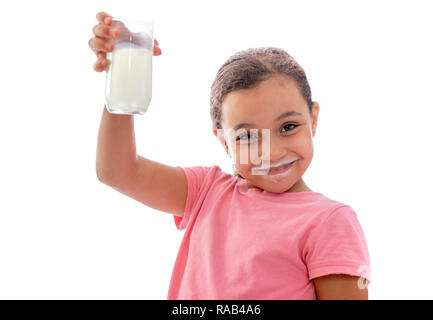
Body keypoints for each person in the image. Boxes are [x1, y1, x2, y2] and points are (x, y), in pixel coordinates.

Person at [89, 11, 372, 300]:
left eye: (288, 127)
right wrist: (122, 73)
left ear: (313, 119)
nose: (271, 152)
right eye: (248, 136)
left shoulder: (330, 222)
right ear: (224, 141)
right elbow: (117, 171)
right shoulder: (206, 192)